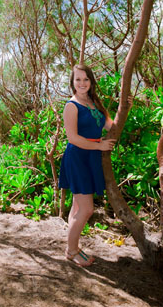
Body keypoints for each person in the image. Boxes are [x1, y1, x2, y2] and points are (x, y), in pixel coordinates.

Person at [59, 64, 116, 267]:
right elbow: (73, 138)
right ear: (72, 82)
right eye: (78, 79)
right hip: (78, 158)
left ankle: (72, 246)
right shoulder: (71, 106)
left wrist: (125, 106)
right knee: (87, 209)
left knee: (78, 206)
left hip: (91, 157)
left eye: (85, 79)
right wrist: (100, 146)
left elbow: (111, 125)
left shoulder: (94, 103)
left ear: (91, 81)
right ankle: (71, 250)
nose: (82, 83)